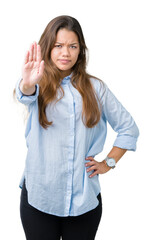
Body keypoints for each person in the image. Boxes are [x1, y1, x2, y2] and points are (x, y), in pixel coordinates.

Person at [15, 15, 139, 240]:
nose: (65, 53)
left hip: (84, 203)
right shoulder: (37, 84)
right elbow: (24, 95)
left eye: (73, 46)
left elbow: (129, 128)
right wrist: (27, 83)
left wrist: (108, 163)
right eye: (58, 46)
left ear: (81, 50)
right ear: (48, 48)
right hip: (39, 198)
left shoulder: (96, 88)